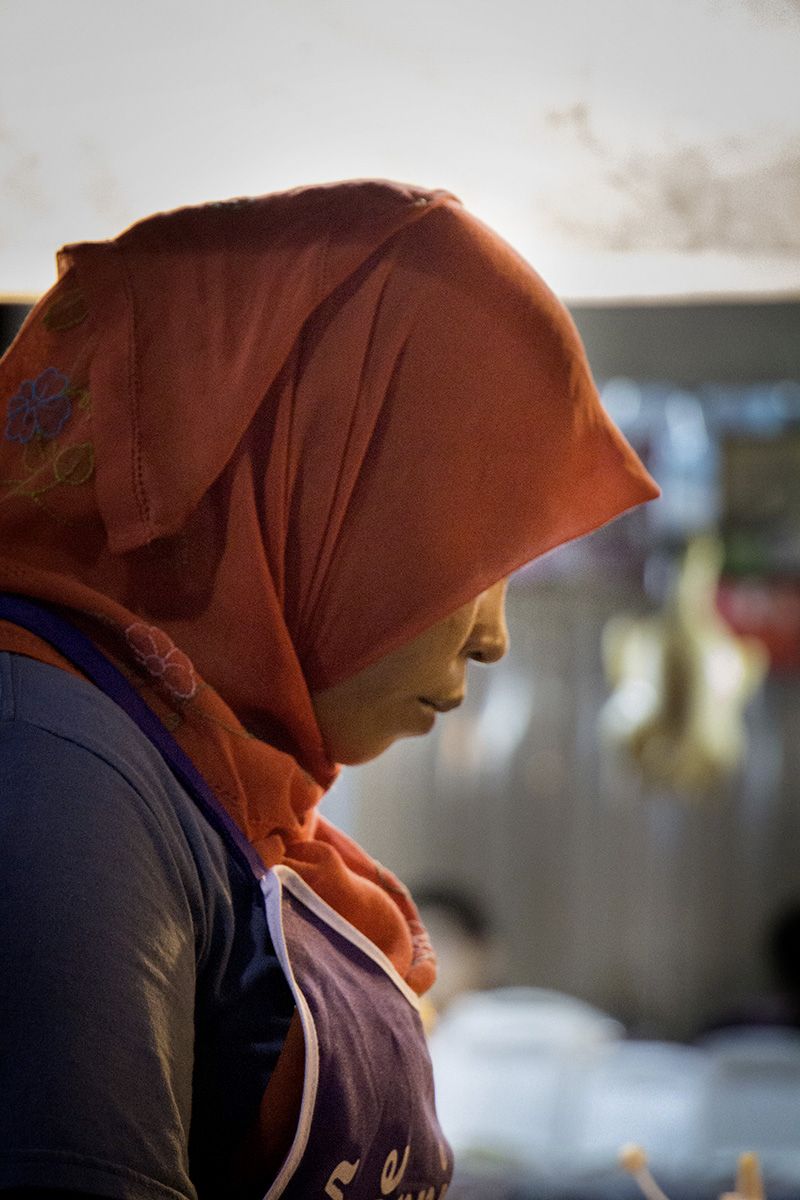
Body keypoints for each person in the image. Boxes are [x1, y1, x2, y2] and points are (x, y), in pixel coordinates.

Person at [0, 179, 659, 1200]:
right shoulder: (53, 772)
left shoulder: (201, 774)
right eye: (476, 560)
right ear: (312, 482)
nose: (492, 638)